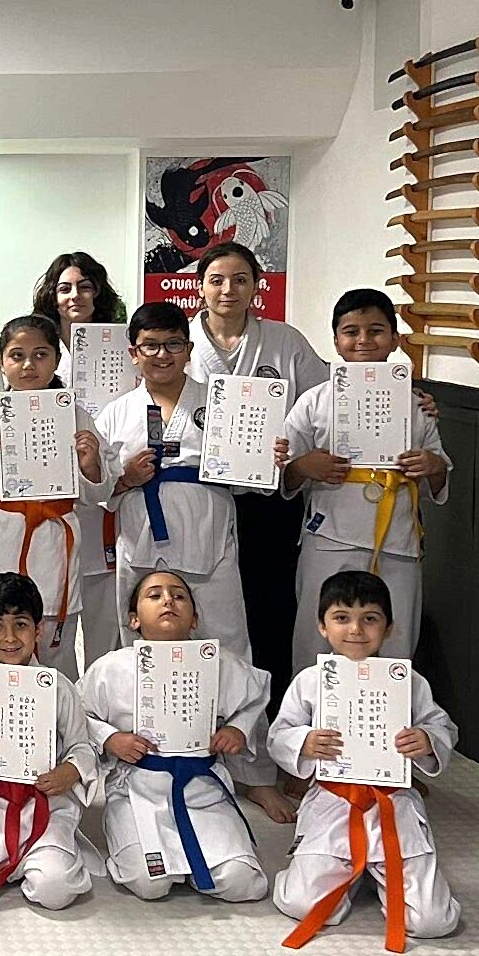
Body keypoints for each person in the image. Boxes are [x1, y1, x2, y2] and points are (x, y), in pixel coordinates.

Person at [96, 301, 293, 822]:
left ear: (188, 350)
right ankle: (144, 761)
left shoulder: (223, 403)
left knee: (230, 646)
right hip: (142, 540)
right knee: (139, 650)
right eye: (150, 346)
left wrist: (266, 458)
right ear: (133, 353)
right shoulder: (114, 413)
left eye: (172, 345)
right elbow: (96, 492)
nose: (162, 355)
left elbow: (250, 481)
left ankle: (254, 774)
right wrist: (125, 478)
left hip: (208, 537)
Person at [270, 570, 462, 950]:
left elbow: (443, 727)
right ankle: (337, 871)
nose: (356, 629)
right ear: (322, 626)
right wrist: (304, 743)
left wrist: (426, 740)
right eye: (342, 617)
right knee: (304, 905)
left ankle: (378, 873)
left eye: (370, 618)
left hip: (393, 804)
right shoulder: (310, 681)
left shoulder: (407, 681)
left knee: (431, 921)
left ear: (388, 628)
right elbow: (279, 734)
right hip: (333, 801)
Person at [182, 241, 328, 707]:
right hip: (199, 497)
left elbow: (324, 405)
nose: (228, 289)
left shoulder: (286, 341)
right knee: (202, 608)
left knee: (271, 606)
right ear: (200, 287)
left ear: (256, 287)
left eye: (240, 279)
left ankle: (275, 715)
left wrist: (414, 401)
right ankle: (206, 710)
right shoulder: (179, 343)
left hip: (268, 499)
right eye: (217, 280)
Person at [279, 289, 450, 669]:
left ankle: (389, 707)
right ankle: (309, 707)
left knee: (396, 637)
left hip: (397, 537)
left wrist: (432, 465)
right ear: (335, 340)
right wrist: (305, 466)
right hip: (329, 533)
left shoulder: (416, 404)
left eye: (375, 331)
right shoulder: (313, 401)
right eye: (351, 331)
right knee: (316, 637)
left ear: (395, 339)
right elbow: (286, 473)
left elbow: (439, 473)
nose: (363, 341)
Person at [81, 570, 271, 903]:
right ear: (134, 620)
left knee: (242, 883)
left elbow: (254, 696)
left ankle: (198, 860)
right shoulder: (111, 667)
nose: (168, 600)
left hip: (203, 789)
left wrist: (237, 729)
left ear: (194, 619)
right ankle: (134, 843)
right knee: (149, 883)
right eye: (154, 595)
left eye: (179, 596)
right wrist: (110, 739)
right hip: (138, 788)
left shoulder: (219, 663)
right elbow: (79, 712)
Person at [0, 573, 99, 932]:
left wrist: (70, 771)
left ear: (38, 630)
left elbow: (82, 745)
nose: (10, 638)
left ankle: (38, 860)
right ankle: (12, 862)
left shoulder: (58, 686)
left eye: (21, 625)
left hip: (42, 804)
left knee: (54, 890)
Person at [0, 314, 113, 677]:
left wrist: (90, 463)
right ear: (2, 363)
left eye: (40, 355)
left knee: (54, 633)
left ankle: (56, 706)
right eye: (17, 355)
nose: (28, 365)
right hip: (3, 533)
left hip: (55, 534)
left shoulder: (76, 416)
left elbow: (99, 493)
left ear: (56, 360)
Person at [32, 251, 132, 670]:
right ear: (51, 297)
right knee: (54, 622)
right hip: (50, 500)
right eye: (65, 288)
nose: (75, 296)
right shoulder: (37, 350)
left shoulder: (123, 349)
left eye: (85, 286)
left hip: (109, 486)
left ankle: (102, 700)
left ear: (99, 293)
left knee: (105, 619)